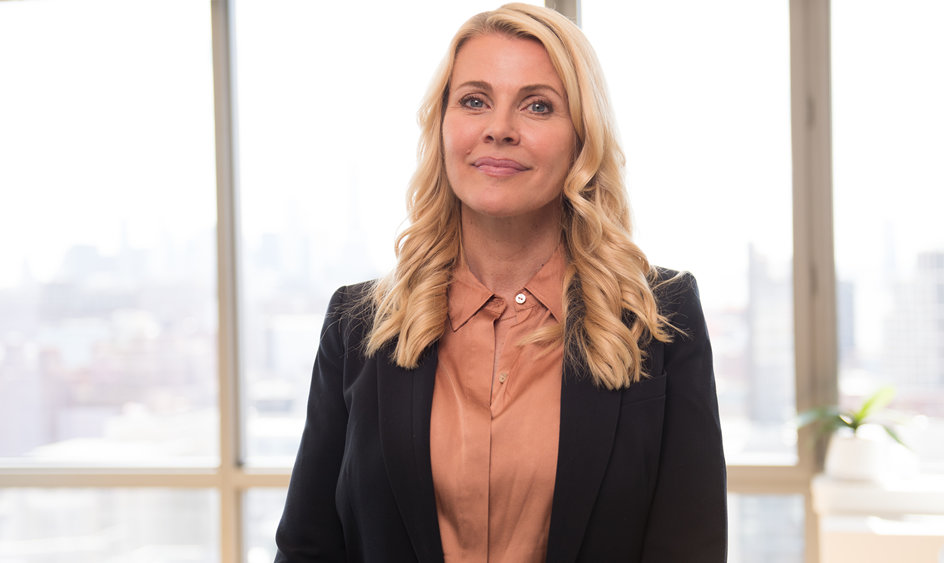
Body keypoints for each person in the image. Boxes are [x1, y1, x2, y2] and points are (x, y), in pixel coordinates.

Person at [274, 3, 726, 562]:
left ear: (582, 137)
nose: (499, 129)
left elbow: (689, 548)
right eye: (474, 101)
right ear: (442, 125)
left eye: (538, 105)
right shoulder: (358, 324)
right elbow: (308, 546)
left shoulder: (659, 318)